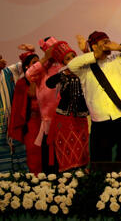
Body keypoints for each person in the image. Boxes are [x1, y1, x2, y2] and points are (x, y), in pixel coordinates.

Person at [67, 31, 121, 163]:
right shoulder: (85, 68)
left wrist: (119, 47)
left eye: (109, 42)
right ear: (94, 46)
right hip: (99, 122)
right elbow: (71, 65)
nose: (108, 45)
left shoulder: (119, 60)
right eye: (104, 43)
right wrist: (92, 54)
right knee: (100, 163)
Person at [45, 41, 90, 171]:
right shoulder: (62, 75)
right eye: (68, 59)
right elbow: (49, 83)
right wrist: (64, 72)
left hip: (80, 120)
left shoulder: (84, 72)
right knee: (65, 150)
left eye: (73, 57)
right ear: (63, 62)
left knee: (81, 150)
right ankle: (67, 180)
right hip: (64, 119)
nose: (71, 60)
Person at [25, 37, 63, 172]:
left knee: (64, 159)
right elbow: (29, 74)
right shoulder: (41, 68)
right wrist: (44, 59)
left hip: (65, 121)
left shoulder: (63, 65)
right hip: (48, 122)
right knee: (49, 160)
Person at [9, 48, 43, 173]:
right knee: (34, 153)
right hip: (32, 124)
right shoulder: (22, 83)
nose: (38, 65)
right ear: (27, 66)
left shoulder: (44, 80)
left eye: (39, 62)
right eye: (34, 62)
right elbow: (19, 108)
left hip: (46, 123)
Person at [0, 53, 28, 172]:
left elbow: (29, 64)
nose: (2, 60)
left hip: (13, 120)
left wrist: (29, 54)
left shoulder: (10, 71)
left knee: (18, 149)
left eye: (1, 57)